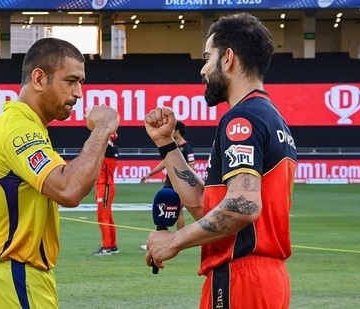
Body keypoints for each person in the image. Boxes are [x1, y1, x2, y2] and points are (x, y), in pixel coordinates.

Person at [0, 38, 119, 309]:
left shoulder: (9, 125)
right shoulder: (19, 130)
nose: (79, 93)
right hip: (16, 278)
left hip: (2, 279)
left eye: (80, 82)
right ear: (39, 78)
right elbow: (69, 190)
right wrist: (103, 129)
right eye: (70, 81)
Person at [143, 12, 297, 309]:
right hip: (267, 279)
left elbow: (242, 206)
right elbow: (207, 204)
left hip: (241, 278)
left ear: (228, 59)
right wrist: (166, 143)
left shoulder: (242, 119)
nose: (203, 70)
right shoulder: (271, 117)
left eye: (207, 57)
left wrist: (173, 242)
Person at [140, 120, 195, 232]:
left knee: (178, 211)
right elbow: (165, 162)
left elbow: (191, 167)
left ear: (177, 131)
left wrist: (185, 185)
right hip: (170, 183)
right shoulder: (174, 147)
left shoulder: (186, 148)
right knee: (166, 210)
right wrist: (150, 174)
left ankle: (179, 237)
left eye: (173, 129)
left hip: (179, 185)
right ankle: (161, 236)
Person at [92, 132, 119, 255]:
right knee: (107, 217)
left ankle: (106, 246)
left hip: (105, 186)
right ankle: (112, 245)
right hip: (106, 185)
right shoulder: (113, 149)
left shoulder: (107, 148)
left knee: (102, 217)